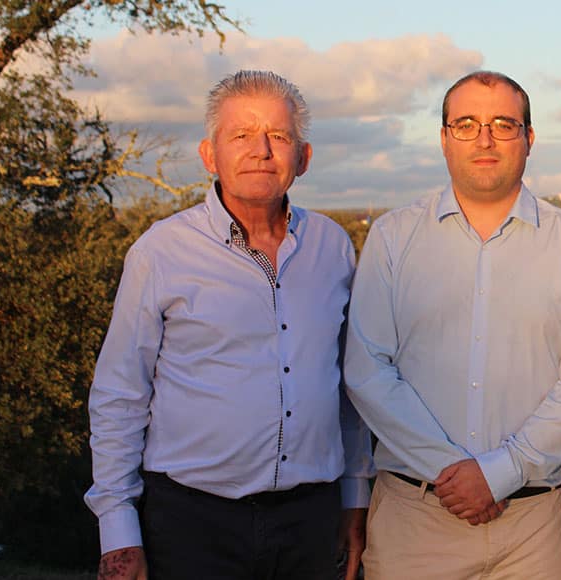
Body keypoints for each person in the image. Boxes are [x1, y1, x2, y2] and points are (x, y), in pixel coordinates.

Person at [84, 70, 373, 580]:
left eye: (279, 136)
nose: (260, 150)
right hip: (191, 525)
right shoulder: (161, 251)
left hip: (311, 521)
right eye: (241, 135)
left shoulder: (333, 247)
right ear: (209, 154)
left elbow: (346, 389)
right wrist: (118, 530)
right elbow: (119, 393)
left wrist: (355, 495)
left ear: (303, 158)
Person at [343, 70, 561, 579]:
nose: (484, 139)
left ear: (529, 139)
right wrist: (458, 477)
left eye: (503, 124)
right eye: (466, 124)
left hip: (533, 529)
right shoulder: (393, 237)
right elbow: (368, 369)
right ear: (444, 139)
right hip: (415, 522)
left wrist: (500, 473)